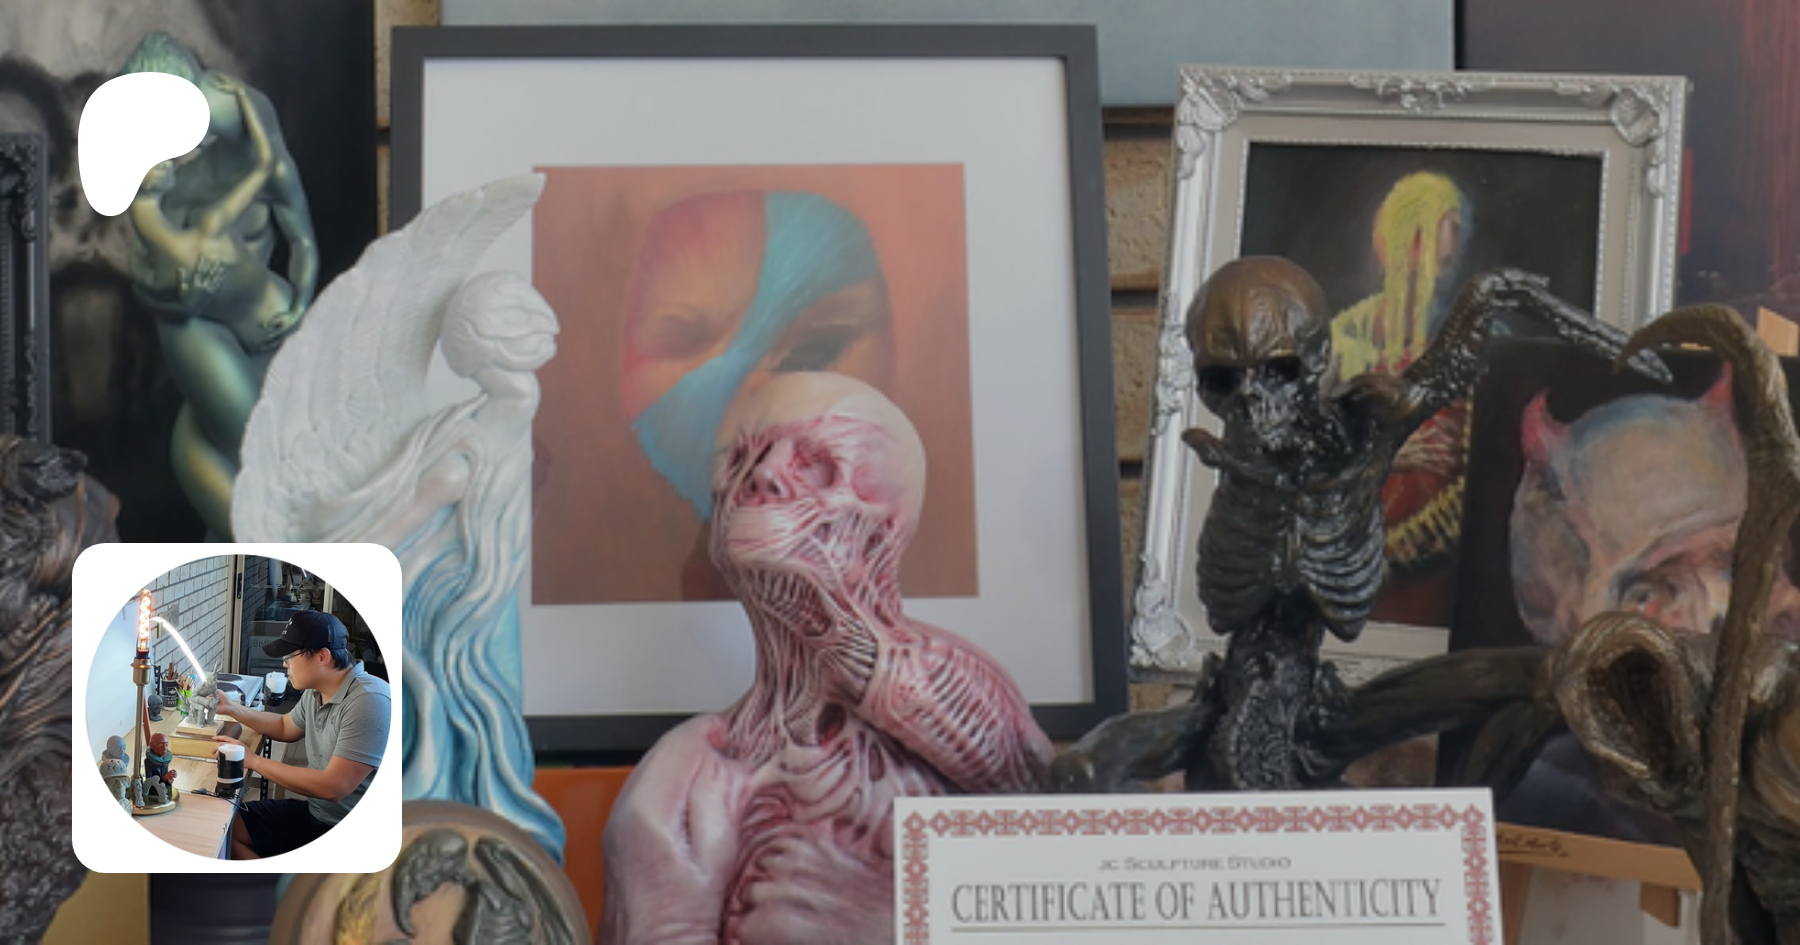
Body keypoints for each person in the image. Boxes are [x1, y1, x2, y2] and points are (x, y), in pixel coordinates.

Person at [212, 611, 390, 859]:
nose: (284, 664)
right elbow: (285, 726)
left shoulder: (369, 700)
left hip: (348, 830)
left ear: (322, 656)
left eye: (290, 656)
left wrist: (253, 761)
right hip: (316, 814)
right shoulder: (317, 691)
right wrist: (232, 708)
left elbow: (333, 787)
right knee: (224, 829)